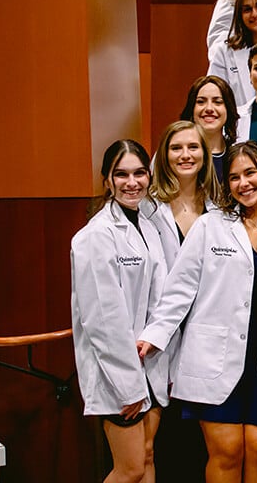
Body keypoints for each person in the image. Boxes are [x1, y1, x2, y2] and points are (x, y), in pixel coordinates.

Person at [140, 141, 257, 483]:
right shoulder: (211, 226)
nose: (243, 183)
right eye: (234, 177)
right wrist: (155, 335)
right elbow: (180, 288)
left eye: (251, 173)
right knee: (228, 450)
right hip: (216, 357)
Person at [71, 139, 170, 483]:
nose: (132, 182)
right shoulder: (95, 237)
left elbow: (160, 295)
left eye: (140, 173)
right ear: (107, 181)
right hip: (119, 375)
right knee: (128, 469)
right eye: (122, 174)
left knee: (145, 457)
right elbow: (103, 320)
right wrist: (129, 387)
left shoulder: (148, 223)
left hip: (149, 367)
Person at [149, 121, 218, 267]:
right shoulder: (148, 207)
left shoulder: (218, 205)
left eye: (193, 147)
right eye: (176, 148)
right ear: (164, 155)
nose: (185, 155)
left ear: (205, 154)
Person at [180, 75, 240, 185]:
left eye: (217, 102)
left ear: (228, 109)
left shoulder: (238, 156)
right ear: (192, 109)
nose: (209, 109)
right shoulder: (175, 153)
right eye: (201, 102)